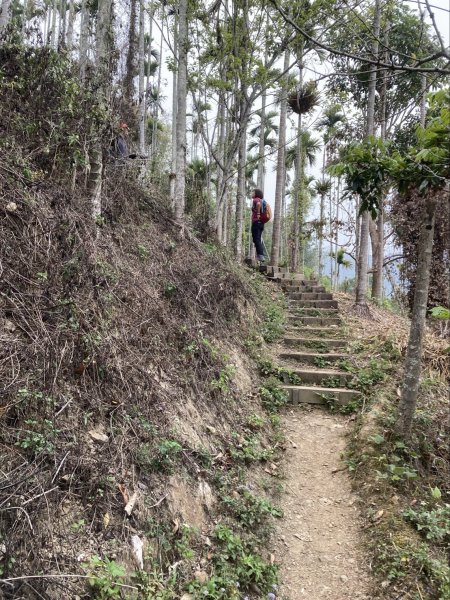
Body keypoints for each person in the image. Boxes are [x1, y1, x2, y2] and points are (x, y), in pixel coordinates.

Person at [251, 188, 266, 262]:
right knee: (258, 239)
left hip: (256, 222)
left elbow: (258, 204)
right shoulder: (261, 200)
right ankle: (260, 255)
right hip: (261, 223)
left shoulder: (256, 199)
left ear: (256, 193)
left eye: (253, 192)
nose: (251, 193)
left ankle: (260, 255)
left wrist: (258, 213)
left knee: (256, 239)